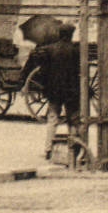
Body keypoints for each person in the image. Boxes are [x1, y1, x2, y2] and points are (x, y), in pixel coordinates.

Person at [31, 23, 80, 162]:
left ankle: (48, 149)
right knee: (73, 120)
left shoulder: (50, 49)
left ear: (59, 34)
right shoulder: (76, 51)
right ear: (71, 35)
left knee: (52, 119)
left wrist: (46, 86)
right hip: (71, 91)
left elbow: (43, 71)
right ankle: (74, 148)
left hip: (54, 91)